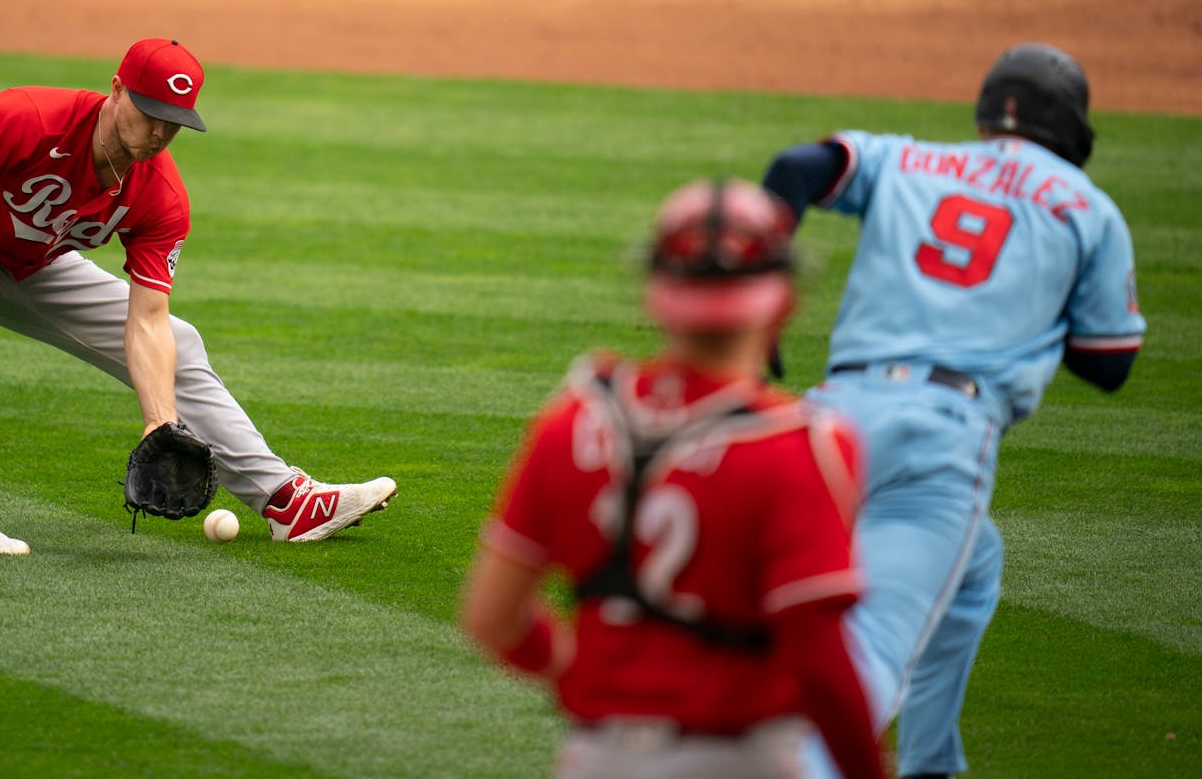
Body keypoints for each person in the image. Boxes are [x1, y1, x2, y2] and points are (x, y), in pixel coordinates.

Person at [760, 42, 1146, 778]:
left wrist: (763, 289)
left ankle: (930, 763)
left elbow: (794, 170)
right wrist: (1025, 301)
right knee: (872, 651)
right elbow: (1110, 365)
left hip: (830, 422)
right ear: (1072, 125)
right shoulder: (1089, 209)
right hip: (940, 439)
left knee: (975, 568)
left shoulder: (908, 159)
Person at [0, 38, 397, 554]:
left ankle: (287, 502)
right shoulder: (34, 116)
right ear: (116, 90)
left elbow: (147, 321)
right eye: (149, 112)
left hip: (37, 264)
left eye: (173, 122)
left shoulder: (161, 194)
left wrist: (160, 419)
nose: (158, 133)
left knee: (181, 338)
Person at [460, 179, 887, 779]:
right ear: (783, 301)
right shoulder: (800, 446)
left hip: (594, 760)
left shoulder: (572, 421)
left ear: (654, 296)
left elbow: (491, 616)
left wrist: (591, 669)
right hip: (742, 761)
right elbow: (820, 662)